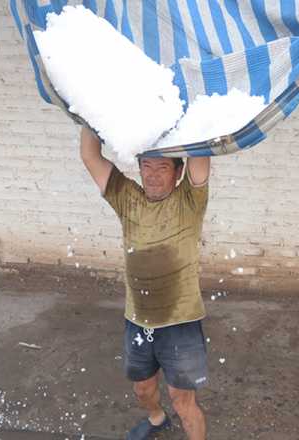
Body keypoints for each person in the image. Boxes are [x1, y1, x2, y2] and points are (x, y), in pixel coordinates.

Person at [79, 125, 211, 440]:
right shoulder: (127, 198)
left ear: (177, 173)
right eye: (146, 167)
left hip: (181, 322)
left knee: (184, 401)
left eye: (162, 167)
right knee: (142, 388)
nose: (152, 175)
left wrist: (197, 112)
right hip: (138, 322)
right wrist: (86, 112)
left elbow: (202, 153)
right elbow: (89, 155)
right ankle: (155, 418)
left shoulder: (190, 202)